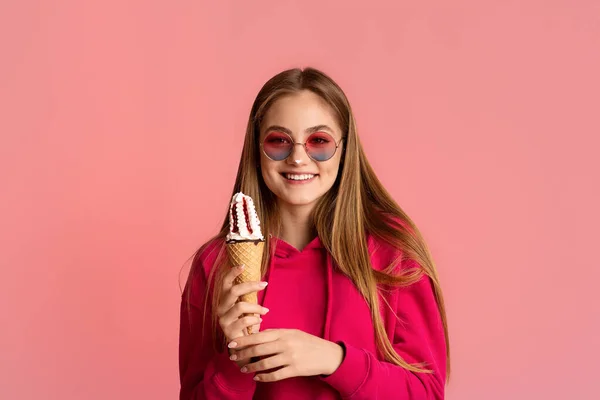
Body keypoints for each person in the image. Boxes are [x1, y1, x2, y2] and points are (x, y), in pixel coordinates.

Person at [179, 67, 449, 399]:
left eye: (318, 141)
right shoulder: (215, 265)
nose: (297, 158)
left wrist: (332, 359)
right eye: (278, 141)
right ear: (256, 148)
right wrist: (238, 359)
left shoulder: (392, 251)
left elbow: (426, 393)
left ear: (345, 149)